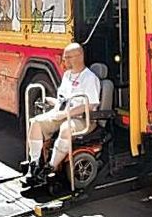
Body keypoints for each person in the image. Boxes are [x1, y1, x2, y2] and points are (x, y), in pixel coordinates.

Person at [25, 42, 101, 183]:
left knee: (66, 128)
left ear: (79, 57)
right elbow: (64, 99)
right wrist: (53, 102)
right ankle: (34, 165)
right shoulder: (67, 75)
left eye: (67, 58)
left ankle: (51, 167)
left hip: (82, 118)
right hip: (61, 113)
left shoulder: (90, 78)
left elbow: (90, 104)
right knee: (35, 122)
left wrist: (67, 114)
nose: (64, 61)